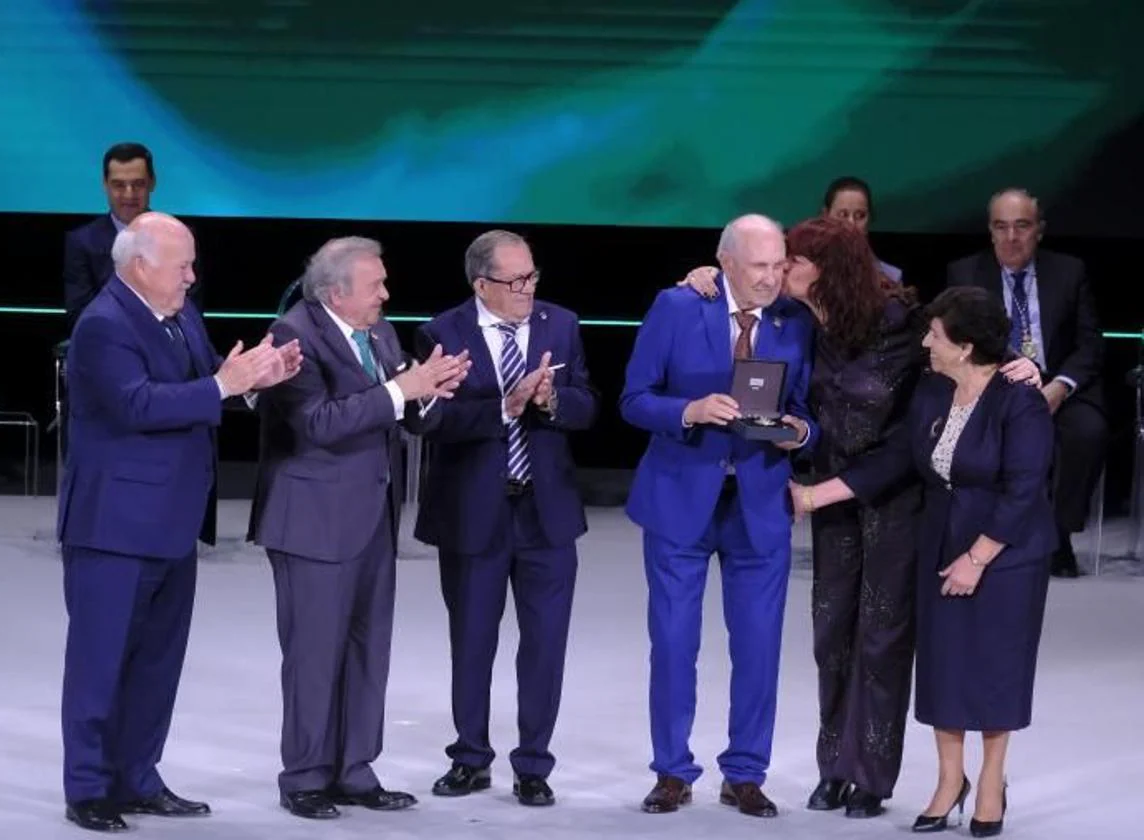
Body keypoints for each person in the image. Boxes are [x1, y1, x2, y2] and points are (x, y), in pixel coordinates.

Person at [58, 212, 301, 833]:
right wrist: (224, 384)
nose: (193, 277)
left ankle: (138, 777)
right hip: (113, 526)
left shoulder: (181, 315)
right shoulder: (103, 326)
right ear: (140, 265)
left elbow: (210, 379)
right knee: (100, 662)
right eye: (183, 266)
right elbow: (136, 404)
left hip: (172, 520)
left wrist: (255, 381)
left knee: (157, 662)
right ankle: (88, 788)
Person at [682, 215, 924, 817]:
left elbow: (907, 442)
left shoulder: (896, 327)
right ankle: (834, 767)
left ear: (829, 270)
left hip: (886, 498)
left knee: (880, 638)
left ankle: (870, 774)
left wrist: (828, 490)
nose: (781, 269)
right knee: (831, 638)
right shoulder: (802, 323)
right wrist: (707, 274)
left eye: (793, 261)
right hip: (826, 497)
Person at [792, 287, 1054, 838]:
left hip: (1005, 556)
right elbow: (897, 457)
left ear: (963, 345)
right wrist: (820, 494)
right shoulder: (934, 390)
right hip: (937, 545)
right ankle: (948, 780)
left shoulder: (1018, 398)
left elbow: (1024, 489)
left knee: (994, 672)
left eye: (935, 335)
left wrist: (978, 558)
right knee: (943, 669)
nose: (926, 342)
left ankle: (990, 784)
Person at [247, 237, 471, 820]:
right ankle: (304, 777)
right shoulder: (294, 333)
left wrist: (430, 391)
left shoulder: (380, 332)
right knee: (313, 655)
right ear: (335, 293)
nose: (386, 295)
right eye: (375, 286)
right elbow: (317, 423)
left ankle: (354, 770)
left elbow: (403, 407)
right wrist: (403, 391)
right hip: (312, 522)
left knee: (369, 650)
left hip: (372, 516)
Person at [621, 214, 817, 818]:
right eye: (759, 265)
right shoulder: (678, 307)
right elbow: (635, 399)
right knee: (675, 643)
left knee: (758, 646)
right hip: (681, 501)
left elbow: (808, 410)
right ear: (725, 263)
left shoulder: (794, 320)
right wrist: (692, 409)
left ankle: (746, 773)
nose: (771, 276)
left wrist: (799, 433)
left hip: (758, 504)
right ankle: (672, 771)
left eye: (778, 263)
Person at [414, 229, 599, 807]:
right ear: (481, 284)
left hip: (547, 514)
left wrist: (550, 402)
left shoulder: (560, 324)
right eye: (514, 281)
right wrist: (504, 406)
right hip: (474, 512)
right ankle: (470, 757)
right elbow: (430, 423)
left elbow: (588, 404)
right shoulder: (441, 332)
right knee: (472, 640)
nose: (527, 289)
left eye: (532, 276)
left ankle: (534, 765)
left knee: (544, 644)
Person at [946, 187, 1106, 578]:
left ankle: (1058, 533)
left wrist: (1060, 386)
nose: (1011, 237)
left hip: (1057, 386)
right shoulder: (965, 273)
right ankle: (986, 533)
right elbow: (954, 343)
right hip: (992, 385)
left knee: (1088, 432)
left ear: (1040, 230)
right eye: (1001, 227)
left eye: (1021, 226)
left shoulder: (1069, 271)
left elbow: (1090, 343)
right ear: (990, 231)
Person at [62, 143, 202, 328]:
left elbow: (191, 309)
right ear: (105, 185)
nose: (129, 195)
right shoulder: (82, 243)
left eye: (138, 184)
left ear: (152, 183)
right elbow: (80, 313)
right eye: (119, 185)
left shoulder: (180, 237)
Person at [823, 175, 903, 283]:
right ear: (825, 215)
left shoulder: (891, 277)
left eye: (860, 215)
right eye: (843, 214)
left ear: (870, 218)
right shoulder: (801, 273)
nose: (851, 223)